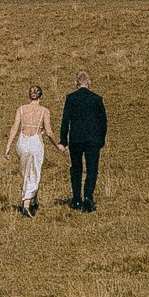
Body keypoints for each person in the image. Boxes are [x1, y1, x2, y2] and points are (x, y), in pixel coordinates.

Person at [4, 84, 61, 217]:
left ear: (29, 95)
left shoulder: (21, 109)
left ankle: (32, 199)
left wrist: (8, 147)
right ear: (41, 96)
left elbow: (14, 128)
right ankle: (26, 203)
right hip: (35, 142)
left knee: (25, 172)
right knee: (34, 172)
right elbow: (49, 132)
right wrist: (57, 145)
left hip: (22, 142)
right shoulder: (44, 111)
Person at [61, 71, 107, 211]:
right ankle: (88, 197)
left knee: (76, 168)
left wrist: (63, 140)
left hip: (76, 139)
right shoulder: (97, 99)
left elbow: (65, 121)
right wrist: (101, 138)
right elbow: (103, 121)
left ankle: (76, 199)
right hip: (93, 139)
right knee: (92, 169)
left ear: (76, 83)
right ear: (89, 83)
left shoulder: (70, 98)